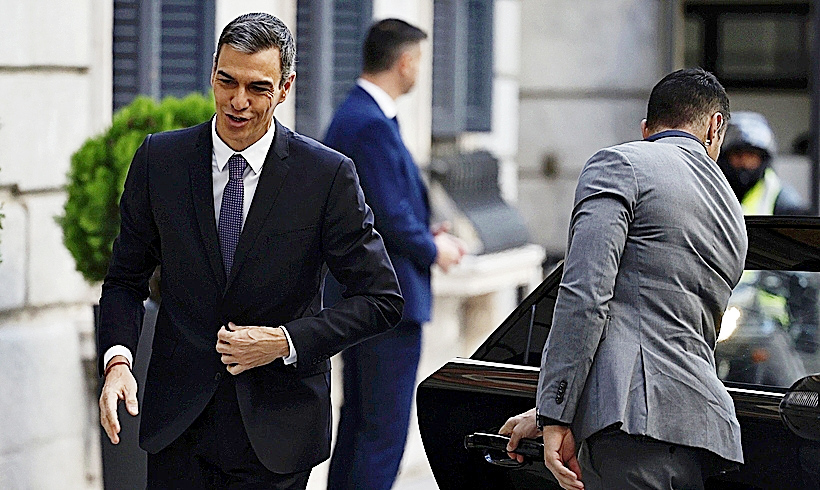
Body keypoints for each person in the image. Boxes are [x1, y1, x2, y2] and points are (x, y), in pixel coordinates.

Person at [97, 12, 404, 489]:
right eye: (227, 81)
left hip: (277, 434)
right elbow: (123, 280)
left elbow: (381, 299)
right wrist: (118, 361)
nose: (238, 102)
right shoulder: (161, 160)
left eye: (258, 88)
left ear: (285, 88)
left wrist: (284, 341)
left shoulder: (326, 176)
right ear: (213, 74)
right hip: (178, 429)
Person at [500, 68, 748, 490]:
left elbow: (585, 296)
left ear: (646, 129)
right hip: (701, 432)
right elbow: (678, 331)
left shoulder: (620, 164)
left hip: (628, 434)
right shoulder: (732, 211)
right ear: (715, 126)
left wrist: (556, 413)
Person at [322, 19, 466, 490]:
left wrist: (425, 232)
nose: (420, 71)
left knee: (361, 426)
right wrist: (434, 247)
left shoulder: (361, 116)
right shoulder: (367, 123)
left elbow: (384, 206)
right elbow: (386, 215)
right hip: (388, 304)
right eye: (419, 60)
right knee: (382, 434)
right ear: (404, 62)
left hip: (367, 299)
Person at [717, 111, 806, 215]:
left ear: (764, 159)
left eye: (751, 156)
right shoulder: (711, 190)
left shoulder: (784, 200)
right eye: (738, 155)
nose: (745, 163)